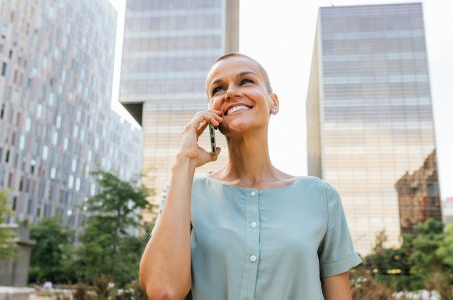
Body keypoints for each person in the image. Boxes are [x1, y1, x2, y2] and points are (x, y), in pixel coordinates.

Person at [139, 53, 361, 299]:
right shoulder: (186, 192)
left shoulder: (321, 197)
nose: (231, 92)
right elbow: (163, 291)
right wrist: (184, 161)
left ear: (273, 102)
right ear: (212, 111)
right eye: (218, 89)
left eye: (245, 81)